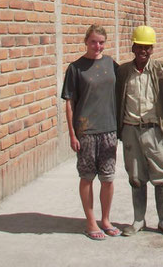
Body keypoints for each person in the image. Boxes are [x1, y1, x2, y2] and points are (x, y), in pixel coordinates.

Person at [116, 25, 163, 237]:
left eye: (147, 47)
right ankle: (138, 220)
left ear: (152, 49)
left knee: (161, 178)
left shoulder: (160, 68)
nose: (143, 51)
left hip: (155, 131)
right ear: (133, 47)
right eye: (139, 46)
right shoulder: (123, 71)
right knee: (136, 177)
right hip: (130, 130)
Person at [61, 25, 120, 240]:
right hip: (86, 131)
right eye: (94, 41)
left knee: (108, 178)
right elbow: (69, 103)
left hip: (109, 130)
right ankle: (90, 221)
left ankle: (105, 219)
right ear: (86, 41)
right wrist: (72, 134)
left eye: (101, 42)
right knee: (87, 177)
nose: (97, 46)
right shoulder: (76, 68)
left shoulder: (111, 64)